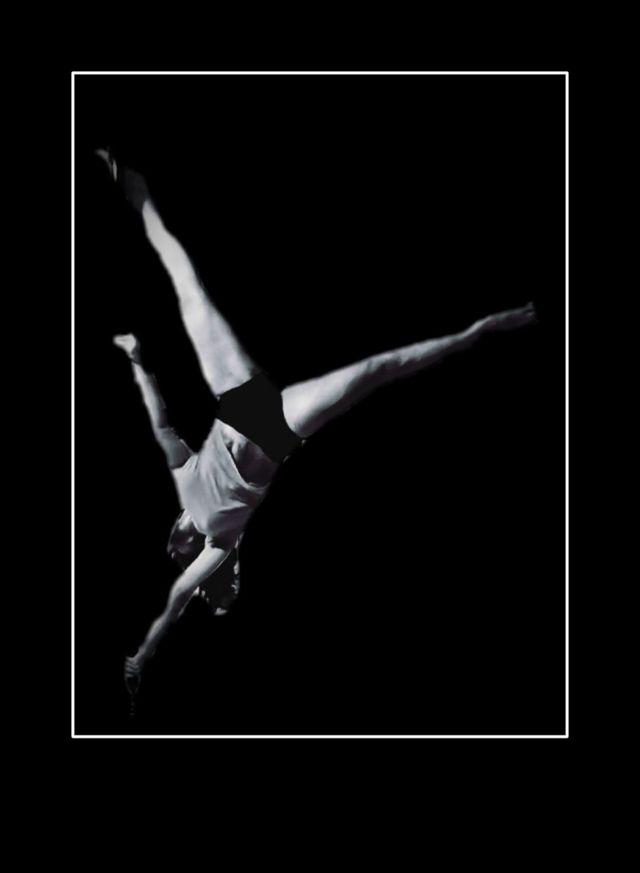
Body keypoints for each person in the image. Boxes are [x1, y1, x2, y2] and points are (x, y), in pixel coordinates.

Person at [96, 149, 538, 706]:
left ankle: (133, 186)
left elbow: (158, 418)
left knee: (189, 287)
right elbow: (179, 599)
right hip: (278, 429)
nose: (177, 548)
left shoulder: (183, 477)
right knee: (378, 370)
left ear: (173, 530)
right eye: (180, 552)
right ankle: (480, 330)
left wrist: (137, 361)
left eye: (174, 544)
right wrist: (143, 655)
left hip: (236, 397)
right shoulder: (219, 543)